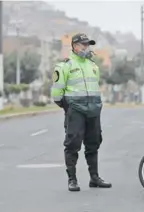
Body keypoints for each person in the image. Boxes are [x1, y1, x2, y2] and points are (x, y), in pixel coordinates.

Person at [51, 33, 112, 192]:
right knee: (73, 144)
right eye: (83, 44)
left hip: (93, 109)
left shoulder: (92, 65)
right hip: (75, 110)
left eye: (88, 45)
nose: (86, 47)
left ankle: (94, 177)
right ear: (74, 46)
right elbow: (57, 93)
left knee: (94, 143)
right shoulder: (65, 66)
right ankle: (72, 179)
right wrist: (68, 107)